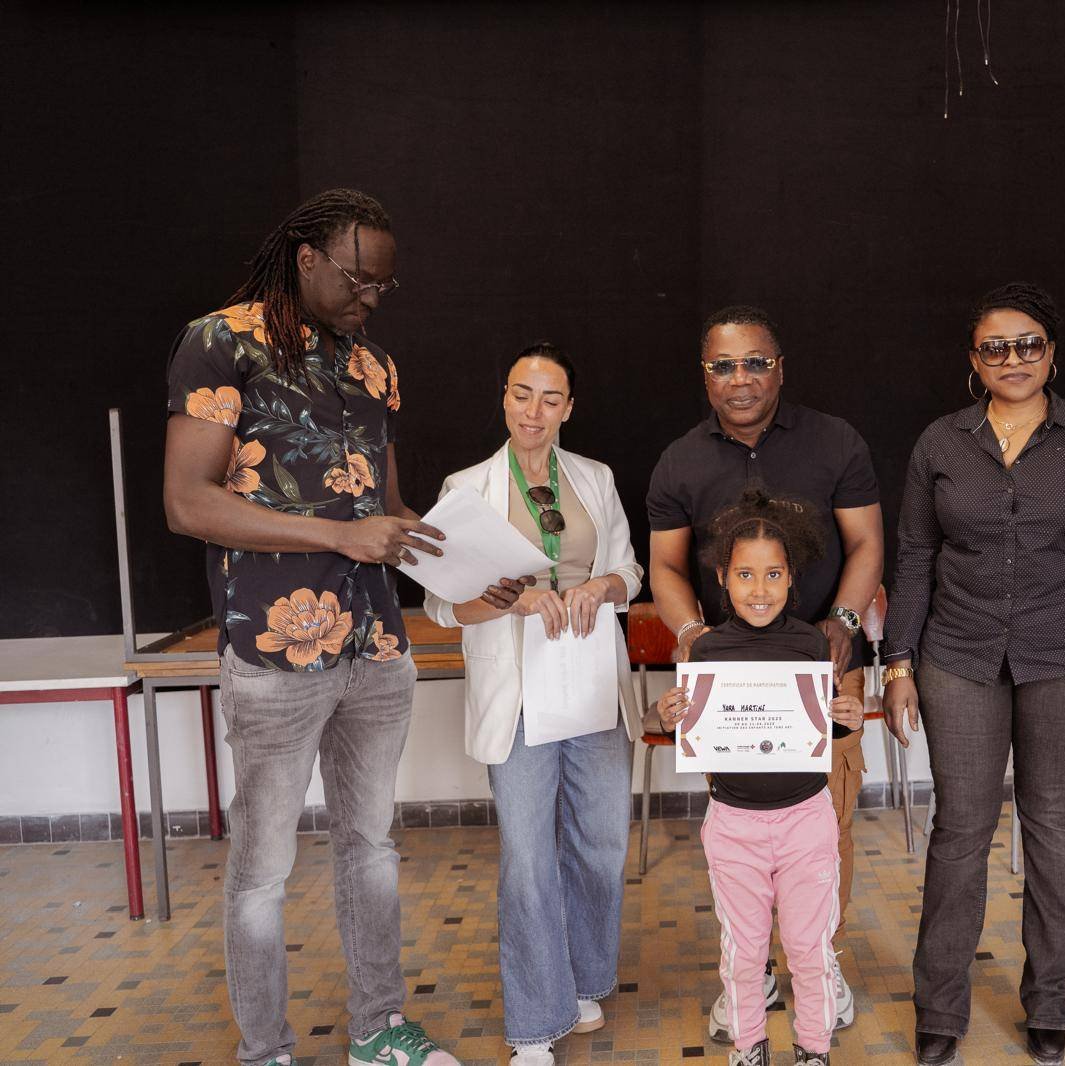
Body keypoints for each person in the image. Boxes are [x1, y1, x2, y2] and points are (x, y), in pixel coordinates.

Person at [163, 189, 458, 1066]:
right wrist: (339, 535)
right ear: (307, 258)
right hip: (274, 652)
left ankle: (378, 1030)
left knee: (372, 848)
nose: (371, 297)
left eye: (383, 285)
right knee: (263, 869)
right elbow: (187, 503)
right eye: (358, 278)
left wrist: (473, 567)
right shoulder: (222, 342)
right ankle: (266, 1050)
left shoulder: (375, 367)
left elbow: (387, 512)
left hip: (377, 648)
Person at [881, 282, 1065, 1066]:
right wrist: (897, 662)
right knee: (960, 830)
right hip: (958, 656)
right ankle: (940, 1009)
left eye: (1029, 343)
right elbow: (915, 557)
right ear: (974, 360)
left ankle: (1050, 1000)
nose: (1014, 359)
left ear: (1052, 353)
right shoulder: (941, 443)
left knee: (1053, 823)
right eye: (995, 347)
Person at [646, 305, 883, 1041]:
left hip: (823, 669)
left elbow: (867, 545)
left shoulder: (835, 441)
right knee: (746, 829)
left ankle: (817, 961)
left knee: (826, 826)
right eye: (724, 365)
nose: (740, 378)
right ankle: (753, 975)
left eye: (755, 362)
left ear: (780, 368)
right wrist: (693, 636)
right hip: (729, 682)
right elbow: (664, 567)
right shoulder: (680, 461)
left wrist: (843, 623)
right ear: (705, 375)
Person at [421, 343, 642, 1065]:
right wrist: (512, 601)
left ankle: (580, 979)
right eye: (522, 394)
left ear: (569, 408)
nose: (534, 411)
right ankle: (533, 1025)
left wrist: (600, 587)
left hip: (592, 684)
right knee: (527, 857)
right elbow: (443, 606)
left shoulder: (596, 478)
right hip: (516, 695)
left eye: (550, 399)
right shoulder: (467, 487)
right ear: (504, 398)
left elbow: (630, 571)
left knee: (601, 845)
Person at [656, 489, 866, 1066]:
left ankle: (814, 1050)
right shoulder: (707, 652)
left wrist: (846, 719)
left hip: (806, 822)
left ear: (791, 576)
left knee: (810, 949)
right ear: (722, 578)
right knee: (744, 953)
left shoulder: (811, 643)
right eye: (745, 575)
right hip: (733, 825)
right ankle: (749, 1048)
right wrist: (669, 717)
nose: (759, 589)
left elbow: (822, 726)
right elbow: (695, 733)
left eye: (773, 574)